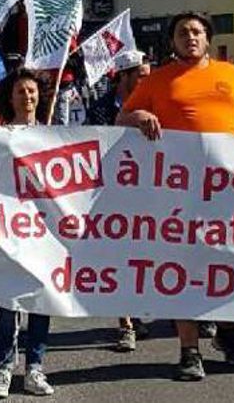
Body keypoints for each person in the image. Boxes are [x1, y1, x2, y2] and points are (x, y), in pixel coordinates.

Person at [117, 12, 234, 381]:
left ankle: (227, 329)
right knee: (183, 267)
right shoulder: (158, 79)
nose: (190, 37)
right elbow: (122, 117)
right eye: (182, 32)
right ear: (172, 41)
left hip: (226, 190)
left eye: (197, 32)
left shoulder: (230, 74)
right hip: (177, 192)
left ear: (208, 39)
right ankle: (189, 351)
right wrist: (140, 115)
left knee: (229, 260)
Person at [0, 68, 55, 399]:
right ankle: (3, 368)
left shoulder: (53, 136)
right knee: (9, 300)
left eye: (31, 91)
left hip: (45, 232)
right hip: (11, 230)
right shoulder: (0, 137)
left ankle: (34, 368)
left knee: (41, 300)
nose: (27, 97)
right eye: (20, 92)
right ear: (10, 97)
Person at [84, 50, 152, 351]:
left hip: (149, 191)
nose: (146, 82)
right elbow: (91, 144)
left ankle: (138, 310)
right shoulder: (100, 108)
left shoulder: (155, 105)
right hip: (111, 193)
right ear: (123, 77)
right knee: (116, 255)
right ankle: (125, 323)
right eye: (141, 76)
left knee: (142, 255)